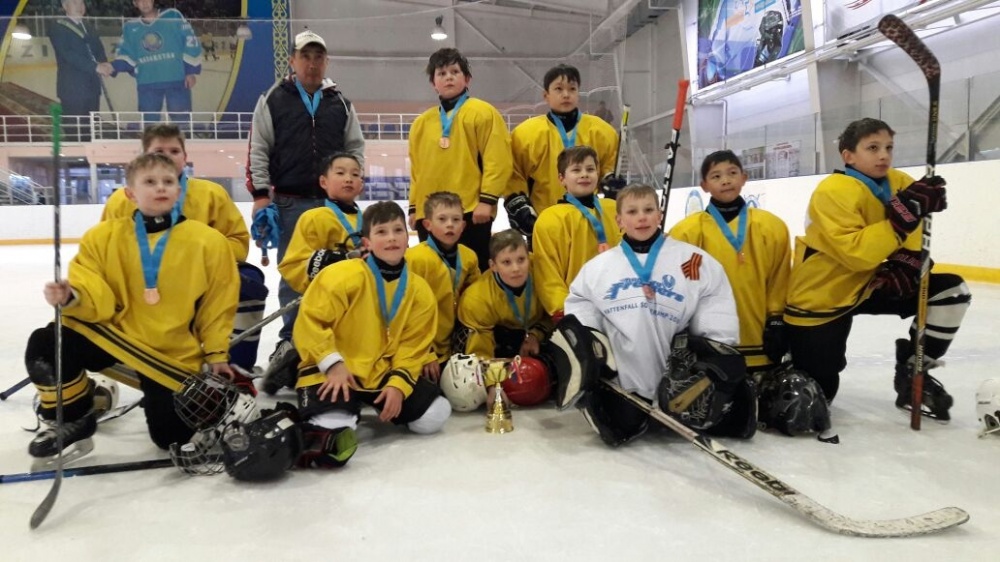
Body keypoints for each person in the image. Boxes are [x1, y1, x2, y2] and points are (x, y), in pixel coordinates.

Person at [23, 153, 239, 467]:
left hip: (167, 354)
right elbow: (93, 292)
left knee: (168, 438)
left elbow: (218, 303)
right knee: (46, 344)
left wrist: (217, 353)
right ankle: (74, 416)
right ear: (130, 193)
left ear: (178, 190)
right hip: (115, 337)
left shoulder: (209, 242)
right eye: (149, 181)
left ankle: (102, 394)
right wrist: (71, 295)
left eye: (168, 181)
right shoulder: (102, 237)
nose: (160, 187)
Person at [783, 118, 971, 422]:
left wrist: (908, 264)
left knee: (950, 291)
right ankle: (788, 358)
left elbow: (914, 235)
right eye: (872, 148)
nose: (883, 155)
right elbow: (855, 254)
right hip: (823, 294)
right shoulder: (832, 190)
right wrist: (902, 218)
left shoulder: (900, 182)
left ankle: (913, 370)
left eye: (888, 147)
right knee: (819, 393)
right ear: (848, 156)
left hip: (874, 282)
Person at [552, 184, 756, 447]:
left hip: (679, 381)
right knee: (619, 427)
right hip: (624, 382)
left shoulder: (693, 260)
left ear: (660, 215)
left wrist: (717, 350)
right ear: (619, 220)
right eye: (632, 212)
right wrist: (590, 347)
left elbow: (714, 301)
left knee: (708, 411)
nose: (642, 217)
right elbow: (580, 303)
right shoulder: (597, 268)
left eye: (649, 210)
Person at [292, 202, 451, 468]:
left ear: (408, 238)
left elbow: (414, 345)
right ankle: (311, 388)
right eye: (381, 232)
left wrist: (398, 385)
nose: (391, 238)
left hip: (381, 371)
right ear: (367, 242)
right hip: (336, 371)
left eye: (398, 230)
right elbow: (311, 322)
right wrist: (332, 363)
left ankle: (366, 401)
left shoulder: (419, 290)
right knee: (336, 432)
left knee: (436, 414)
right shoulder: (341, 276)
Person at [247, 30, 366, 386]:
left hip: (333, 205)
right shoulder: (273, 99)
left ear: (326, 62)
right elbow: (259, 148)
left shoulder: (339, 103)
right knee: (296, 277)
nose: (312, 64)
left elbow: (355, 148)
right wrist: (261, 195)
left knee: (342, 273)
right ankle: (293, 343)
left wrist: (349, 182)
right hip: (290, 203)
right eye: (305, 56)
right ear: (292, 60)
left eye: (318, 57)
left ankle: (338, 341)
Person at [101, 124, 263, 376]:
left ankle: (235, 367)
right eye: (159, 151)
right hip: (142, 279)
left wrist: (195, 261)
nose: (167, 157)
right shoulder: (120, 201)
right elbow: (107, 251)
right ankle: (129, 353)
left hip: (203, 279)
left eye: (174, 151)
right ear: (144, 157)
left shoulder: (211, 194)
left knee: (250, 281)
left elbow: (237, 242)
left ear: (185, 157)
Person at [669, 150, 791, 372]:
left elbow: (779, 278)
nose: (725, 180)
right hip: (710, 342)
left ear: (744, 178)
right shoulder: (686, 232)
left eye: (732, 173)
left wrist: (777, 319)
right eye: (716, 176)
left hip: (759, 338)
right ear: (704, 185)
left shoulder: (772, 227)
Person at [265, 153, 366, 395]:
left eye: (355, 174)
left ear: (361, 184)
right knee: (318, 340)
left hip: (359, 305)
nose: (348, 178)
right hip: (326, 305)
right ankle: (292, 358)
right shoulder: (313, 218)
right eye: (340, 173)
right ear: (323, 182)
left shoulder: (369, 220)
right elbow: (293, 265)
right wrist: (331, 261)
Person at [408, 48, 512, 271]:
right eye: (442, 73)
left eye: (455, 72)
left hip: (471, 211)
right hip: (430, 214)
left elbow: (497, 159)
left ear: (467, 79)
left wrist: (487, 200)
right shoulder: (421, 123)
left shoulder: (483, 113)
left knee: (472, 271)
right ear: (433, 83)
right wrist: (414, 207)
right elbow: (417, 171)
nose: (448, 77)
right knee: (433, 271)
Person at [505, 65, 619, 239]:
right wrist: (519, 206)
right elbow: (514, 175)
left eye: (572, 89)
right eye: (558, 89)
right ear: (546, 95)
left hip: (590, 224)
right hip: (544, 223)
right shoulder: (525, 134)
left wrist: (612, 183)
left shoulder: (601, 131)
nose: (566, 94)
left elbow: (608, 169)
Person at [532, 146, 621, 320]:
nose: (584, 174)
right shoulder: (550, 219)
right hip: (576, 312)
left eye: (590, 169)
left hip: (619, 306)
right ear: (562, 179)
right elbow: (547, 274)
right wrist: (564, 310)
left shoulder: (615, 209)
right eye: (576, 170)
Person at [405, 192, 481, 382]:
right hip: (422, 346)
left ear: (463, 225)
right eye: (442, 219)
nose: (450, 225)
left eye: (456, 219)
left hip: (452, 344)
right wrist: (426, 351)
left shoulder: (469, 257)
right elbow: (407, 311)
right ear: (427, 224)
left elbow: (474, 300)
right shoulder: (415, 258)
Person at [456, 230, 551, 362]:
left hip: (539, 329)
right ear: (493, 265)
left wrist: (536, 335)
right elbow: (481, 357)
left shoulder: (544, 271)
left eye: (521, 260)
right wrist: (502, 368)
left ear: (529, 257)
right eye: (506, 262)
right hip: (499, 337)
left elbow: (556, 312)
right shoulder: (476, 299)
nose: (516, 268)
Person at [112, 0, 202, 124]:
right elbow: (126, 54)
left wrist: (190, 71)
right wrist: (112, 66)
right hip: (148, 82)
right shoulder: (130, 27)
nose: (144, 3)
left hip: (176, 79)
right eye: (139, 0)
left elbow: (190, 40)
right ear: (135, 3)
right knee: (150, 123)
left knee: (182, 122)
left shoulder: (172, 15)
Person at [49, 0, 112, 141]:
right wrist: (95, 67)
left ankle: (90, 153)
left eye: (81, 3)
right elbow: (68, 54)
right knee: (74, 130)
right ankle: (75, 155)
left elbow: (98, 49)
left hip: (92, 86)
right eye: (75, 3)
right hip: (73, 88)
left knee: (91, 129)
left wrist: (104, 63)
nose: (80, 7)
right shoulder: (58, 27)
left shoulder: (89, 26)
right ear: (65, 6)